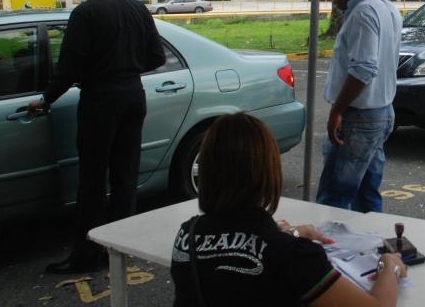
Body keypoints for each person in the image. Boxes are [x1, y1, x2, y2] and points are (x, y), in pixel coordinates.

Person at [170, 113, 406, 307]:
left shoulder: (187, 234)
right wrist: (390, 266)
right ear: (267, 171)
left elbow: (233, 250)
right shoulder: (295, 256)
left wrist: (290, 234)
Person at [28, 0, 166, 273]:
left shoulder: (85, 13)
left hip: (101, 101)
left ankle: (86, 256)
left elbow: (69, 68)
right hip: (134, 97)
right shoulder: (137, 8)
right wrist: (127, 69)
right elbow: (156, 57)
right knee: (125, 177)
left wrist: (46, 99)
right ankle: (122, 248)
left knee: (92, 180)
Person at [316, 0, 402, 213]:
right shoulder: (387, 8)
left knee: (334, 197)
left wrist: (336, 111)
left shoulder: (364, 13)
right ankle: (372, 246)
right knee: (366, 194)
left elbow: (363, 69)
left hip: (359, 119)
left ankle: (329, 252)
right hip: (380, 113)